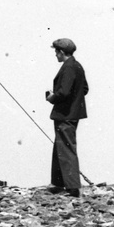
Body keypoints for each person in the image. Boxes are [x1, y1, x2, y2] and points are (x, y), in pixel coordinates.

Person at [45, 37, 88, 196]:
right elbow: (84, 89)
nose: (55, 55)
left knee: (66, 148)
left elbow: (64, 92)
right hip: (72, 113)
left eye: (56, 52)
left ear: (61, 52)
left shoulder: (68, 67)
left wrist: (52, 98)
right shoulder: (77, 66)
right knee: (60, 146)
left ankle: (72, 187)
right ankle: (58, 183)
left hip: (65, 114)